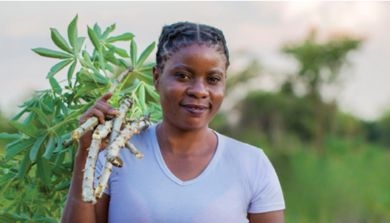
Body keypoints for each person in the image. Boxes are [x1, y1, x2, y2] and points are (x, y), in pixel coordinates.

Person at [61, 21, 285, 223]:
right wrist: (86, 155)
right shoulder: (116, 153)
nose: (199, 91)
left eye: (213, 79)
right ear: (157, 78)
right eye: (183, 76)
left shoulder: (251, 164)